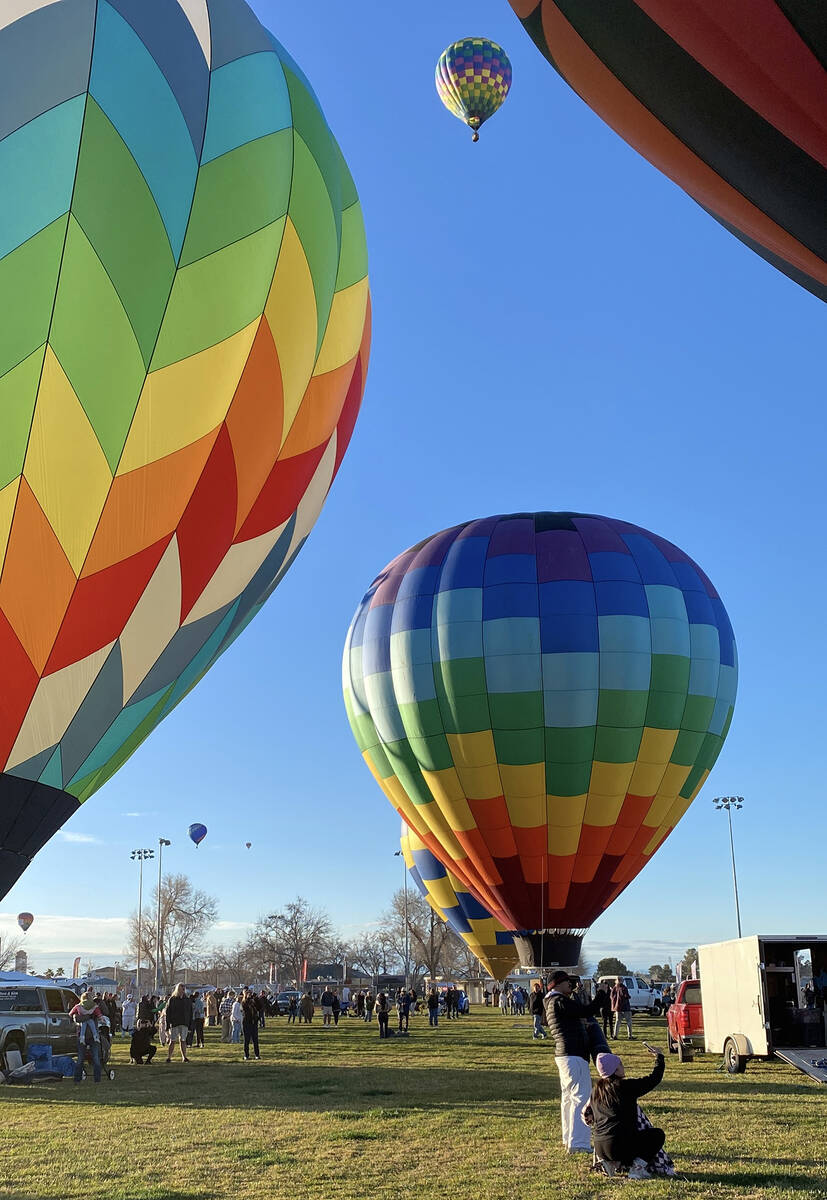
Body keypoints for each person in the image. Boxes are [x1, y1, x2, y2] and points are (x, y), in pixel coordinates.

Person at [543, 970, 603, 1154]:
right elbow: (586, 1010)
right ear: (557, 985)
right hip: (574, 1054)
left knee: (568, 1099)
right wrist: (600, 994)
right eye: (567, 981)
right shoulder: (560, 1001)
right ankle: (579, 1143)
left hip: (564, 1055)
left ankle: (568, 1138)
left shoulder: (552, 1002)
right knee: (580, 1099)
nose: (570, 984)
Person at [583, 1048, 666, 1179]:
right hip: (621, 1146)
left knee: (620, 1138)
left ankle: (610, 1164)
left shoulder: (596, 1091)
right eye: (620, 1064)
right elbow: (653, 1079)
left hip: (600, 1147)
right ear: (615, 1070)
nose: (623, 1067)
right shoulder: (626, 1087)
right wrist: (659, 1058)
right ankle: (637, 1168)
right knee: (657, 1135)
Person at [70, 991, 105, 1084]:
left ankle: (81, 1079)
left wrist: (81, 1017)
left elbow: (73, 1016)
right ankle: (91, 1079)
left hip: (86, 1036)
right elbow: (75, 1017)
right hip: (89, 1036)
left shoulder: (81, 1007)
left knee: (86, 1059)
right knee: (88, 1059)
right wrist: (89, 1016)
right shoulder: (92, 1008)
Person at [164, 983, 192, 1063]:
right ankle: (169, 1057)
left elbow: (190, 1012)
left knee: (183, 1040)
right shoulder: (172, 999)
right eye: (180, 989)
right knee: (172, 1041)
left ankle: (184, 1057)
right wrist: (168, 1025)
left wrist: (190, 1025)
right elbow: (168, 1012)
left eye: (183, 989)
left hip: (184, 1023)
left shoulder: (187, 1000)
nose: (182, 991)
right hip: (175, 1023)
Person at [241, 989, 261, 1060]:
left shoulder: (254, 1001)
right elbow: (245, 1008)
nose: (249, 995)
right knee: (247, 1040)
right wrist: (248, 999)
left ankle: (257, 1055)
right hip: (247, 1022)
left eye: (250, 993)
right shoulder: (244, 1002)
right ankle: (246, 1055)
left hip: (254, 1022)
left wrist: (256, 999)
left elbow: (259, 1007)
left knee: (255, 1040)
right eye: (248, 993)